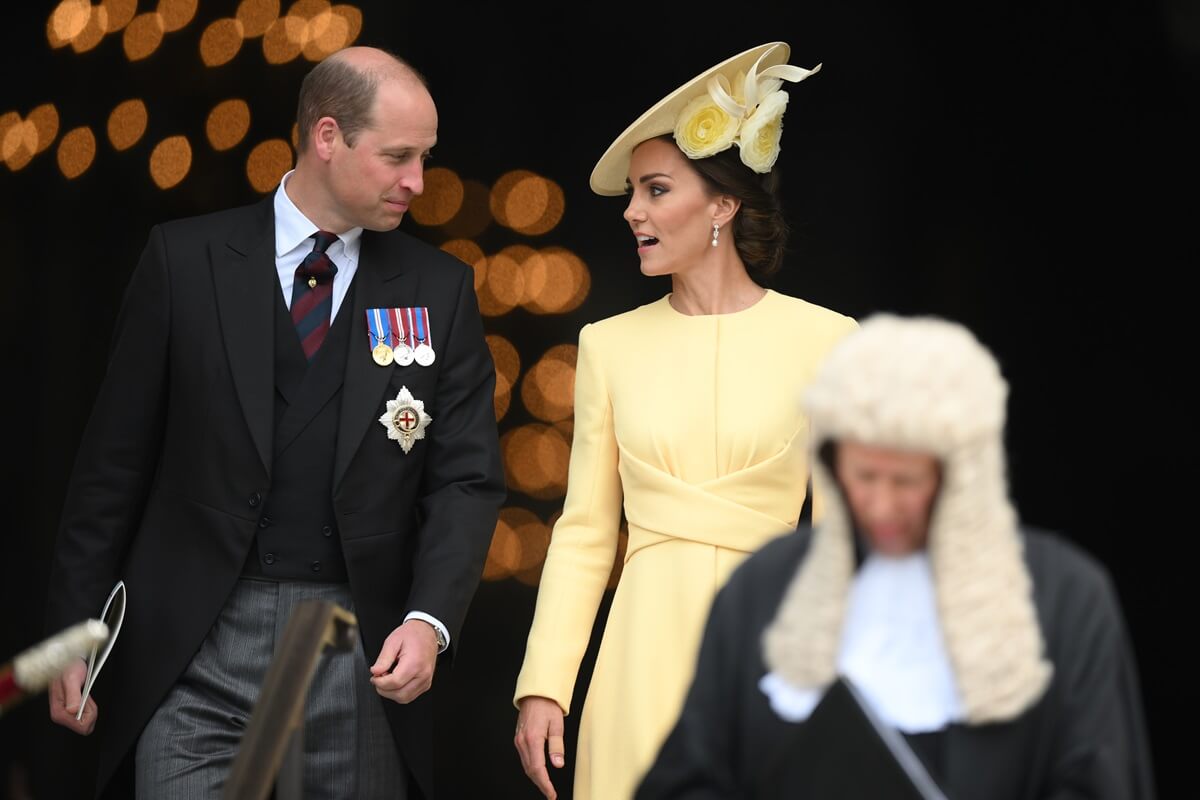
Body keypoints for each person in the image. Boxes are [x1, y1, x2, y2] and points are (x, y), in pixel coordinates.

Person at [44, 47, 505, 799]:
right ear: (327, 137)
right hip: (193, 647)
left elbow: (467, 478)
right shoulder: (183, 261)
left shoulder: (438, 286)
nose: (418, 182)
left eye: (424, 158)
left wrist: (428, 620)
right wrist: (74, 630)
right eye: (398, 157)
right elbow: (112, 466)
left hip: (358, 654)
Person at [513, 42, 858, 800]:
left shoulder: (830, 341)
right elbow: (585, 532)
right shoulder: (608, 345)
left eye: (655, 189)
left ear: (724, 204)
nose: (632, 211)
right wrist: (545, 683)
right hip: (638, 657)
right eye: (634, 192)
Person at [637, 314, 1157, 799]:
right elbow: (691, 777)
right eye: (863, 476)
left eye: (906, 481)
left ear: (963, 474)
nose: (881, 505)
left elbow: (1099, 782)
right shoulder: (765, 587)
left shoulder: (1066, 598)